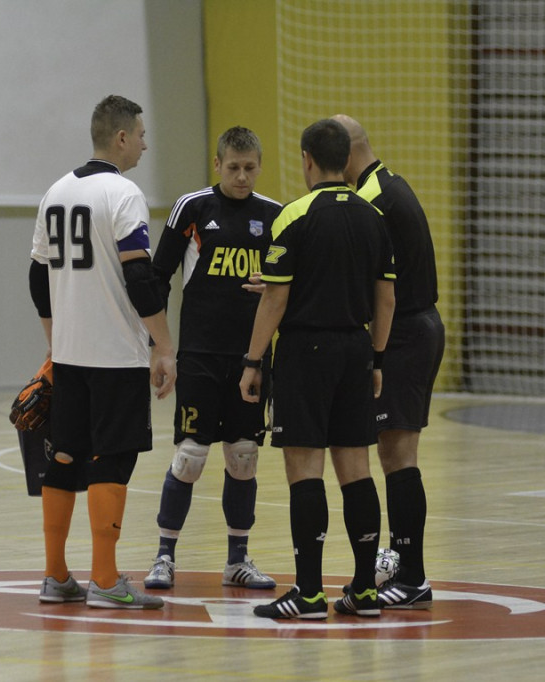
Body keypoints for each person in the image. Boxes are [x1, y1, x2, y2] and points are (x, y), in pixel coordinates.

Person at [240, 118, 396, 619]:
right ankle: (365, 591)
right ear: (347, 161)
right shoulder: (374, 216)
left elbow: (276, 297)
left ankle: (308, 593)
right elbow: (386, 298)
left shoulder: (294, 216)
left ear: (307, 159)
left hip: (305, 353)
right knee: (356, 470)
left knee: (304, 470)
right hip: (355, 349)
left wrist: (252, 361)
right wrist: (375, 358)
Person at [29, 94, 176, 610]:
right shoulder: (123, 193)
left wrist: (55, 338)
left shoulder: (56, 190)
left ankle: (54, 576)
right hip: (115, 354)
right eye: (139, 133)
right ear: (119, 138)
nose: (143, 142)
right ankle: (107, 580)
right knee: (111, 458)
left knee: (65, 456)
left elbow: (36, 274)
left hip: (70, 356)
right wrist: (164, 344)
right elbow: (139, 273)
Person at [143, 126, 281, 591]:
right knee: (190, 456)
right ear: (217, 165)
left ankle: (237, 560)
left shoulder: (276, 217)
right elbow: (156, 278)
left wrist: (279, 290)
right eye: (233, 167)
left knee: (243, 457)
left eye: (250, 168)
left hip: (251, 359)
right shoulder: (192, 208)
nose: (242, 177)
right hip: (199, 355)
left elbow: (290, 290)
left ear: (260, 167)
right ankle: (164, 556)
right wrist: (159, 350)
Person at [333, 114, 445, 610]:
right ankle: (402, 562)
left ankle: (413, 574)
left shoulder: (372, 200)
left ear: (347, 155)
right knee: (392, 455)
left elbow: (366, 282)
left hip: (405, 336)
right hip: (412, 330)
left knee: (399, 457)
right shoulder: (388, 182)